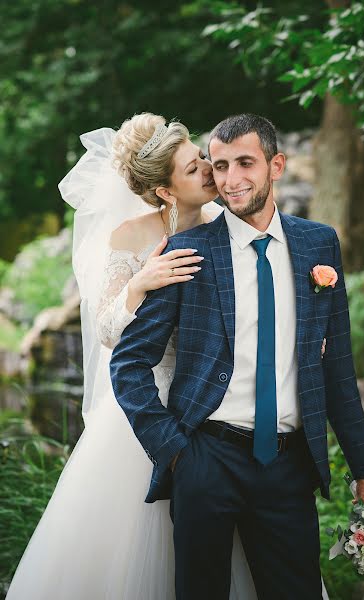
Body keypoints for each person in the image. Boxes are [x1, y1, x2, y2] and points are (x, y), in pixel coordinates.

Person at [110, 113, 364, 600]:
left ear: (275, 165)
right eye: (219, 166)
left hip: (288, 465)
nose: (231, 179)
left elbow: (338, 367)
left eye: (245, 163)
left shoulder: (318, 245)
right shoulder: (186, 251)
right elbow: (128, 363)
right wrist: (174, 451)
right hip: (205, 458)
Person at [5, 113, 257, 599]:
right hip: (145, 406)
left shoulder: (225, 227)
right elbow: (104, 331)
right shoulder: (129, 238)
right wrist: (140, 284)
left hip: (214, 399)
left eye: (202, 158)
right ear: (165, 191)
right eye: (193, 168)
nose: (209, 169)